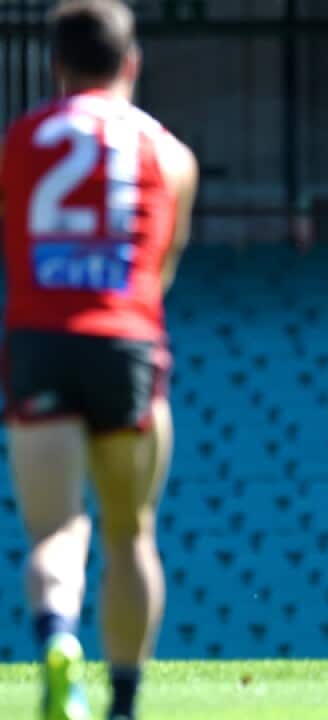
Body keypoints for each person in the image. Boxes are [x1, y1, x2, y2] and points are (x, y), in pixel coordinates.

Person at [0, 1, 199, 717]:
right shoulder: (170, 154)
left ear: (57, 66)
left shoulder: (19, 139)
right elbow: (162, 270)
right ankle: (123, 701)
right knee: (130, 531)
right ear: (132, 63)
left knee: (55, 530)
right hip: (124, 343)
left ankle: (58, 639)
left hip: (40, 341)